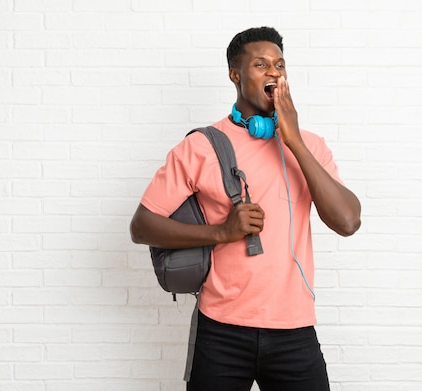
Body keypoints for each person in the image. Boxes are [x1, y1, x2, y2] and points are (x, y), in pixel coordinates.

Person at [130, 26, 361, 391]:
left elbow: (348, 221)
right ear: (234, 75)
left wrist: (294, 141)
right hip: (220, 330)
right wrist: (220, 232)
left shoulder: (310, 146)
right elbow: (141, 227)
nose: (274, 71)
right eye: (260, 64)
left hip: (294, 331)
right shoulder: (201, 147)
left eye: (280, 64)